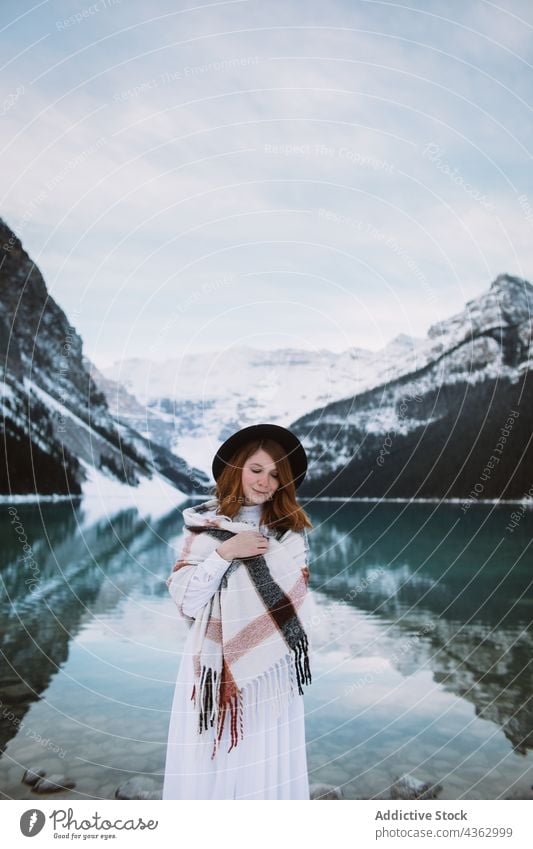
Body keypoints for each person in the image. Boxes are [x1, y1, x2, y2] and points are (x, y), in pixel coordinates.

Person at [162, 423, 314, 800]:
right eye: (257, 470)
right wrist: (226, 552)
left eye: (276, 474)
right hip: (212, 664)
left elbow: (293, 607)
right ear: (237, 469)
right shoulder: (203, 528)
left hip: (271, 669)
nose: (265, 482)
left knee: (263, 760)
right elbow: (188, 602)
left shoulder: (289, 534)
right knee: (212, 761)